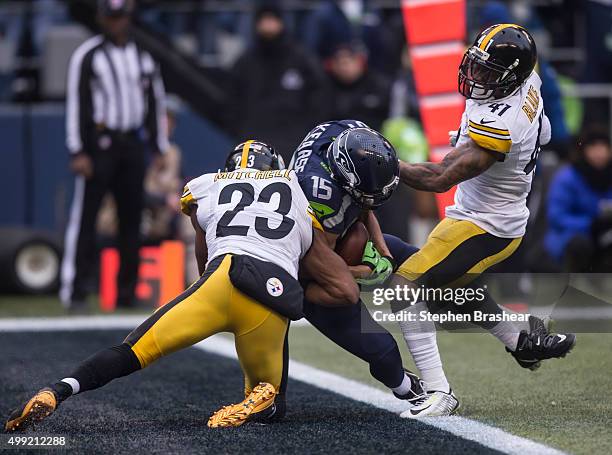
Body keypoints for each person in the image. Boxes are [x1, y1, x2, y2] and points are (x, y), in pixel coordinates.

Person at [5, 140, 360, 432]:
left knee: (132, 351)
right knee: (273, 406)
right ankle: (259, 400)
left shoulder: (207, 185)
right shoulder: (296, 187)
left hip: (222, 279)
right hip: (272, 296)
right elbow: (319, 249)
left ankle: (59, 390)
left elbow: (203, 247)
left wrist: (208, 287)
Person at [393, 24, 576, 417]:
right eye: (476, 65)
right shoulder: (529, 78)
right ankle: (520, 339)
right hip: (476, 212)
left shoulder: (503, 123)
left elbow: (438, 177)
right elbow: (541, 129)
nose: (477, 77)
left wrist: (385, 163)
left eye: (490, 72)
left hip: (487, 224)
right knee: (449, 294)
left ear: (512, 77)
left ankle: (439, 392)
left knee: (402, 287)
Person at [290, 121, 453, 415]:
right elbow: (325, 275)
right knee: (384, 352)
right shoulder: (319, 197)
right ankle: (408, 388)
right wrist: (366, 271)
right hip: (305, 275)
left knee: (423, 266)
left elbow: (362, 203)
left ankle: (513, 334)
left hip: (338, 235)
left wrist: (385, 255)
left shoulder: (347, 134)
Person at [60, 0, 169, 310]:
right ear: (101, 18)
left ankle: (127, 292)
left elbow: (154, 102)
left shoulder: (143, 57)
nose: (117, 23)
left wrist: (157, 145)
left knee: (132, 219)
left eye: (121, 17)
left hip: (131, 145)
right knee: (86, 217)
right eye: (111, 17)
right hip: (100, 145)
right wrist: (78, 149)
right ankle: (75, 289)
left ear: (129, 18)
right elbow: (77, 104)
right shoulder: (88, 55)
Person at [227, 4, 328, 163]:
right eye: (264, 20)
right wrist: (240, 129)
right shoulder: (245, 62)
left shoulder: (301, 59)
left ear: (281, 23)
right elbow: (231, 100)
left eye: (272, 20)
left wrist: (306, 131)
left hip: (294, 142)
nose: (268, 25)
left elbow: (319, 96)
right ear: (256, 24)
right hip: (252, 142)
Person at [545, 129, 612, 272]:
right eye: (593, 146)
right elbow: (556, 217)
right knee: (580, 246)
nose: (599, 152)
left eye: (603, 146)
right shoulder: (567, 177)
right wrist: (591, 225)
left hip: (605, 235)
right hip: (570, 237)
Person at [326, 43, 391, 130]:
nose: (343, 68)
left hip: (375, 137)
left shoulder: (379, 85)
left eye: (346, 63)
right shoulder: (326, 88)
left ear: (359, 62)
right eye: (339, 63)